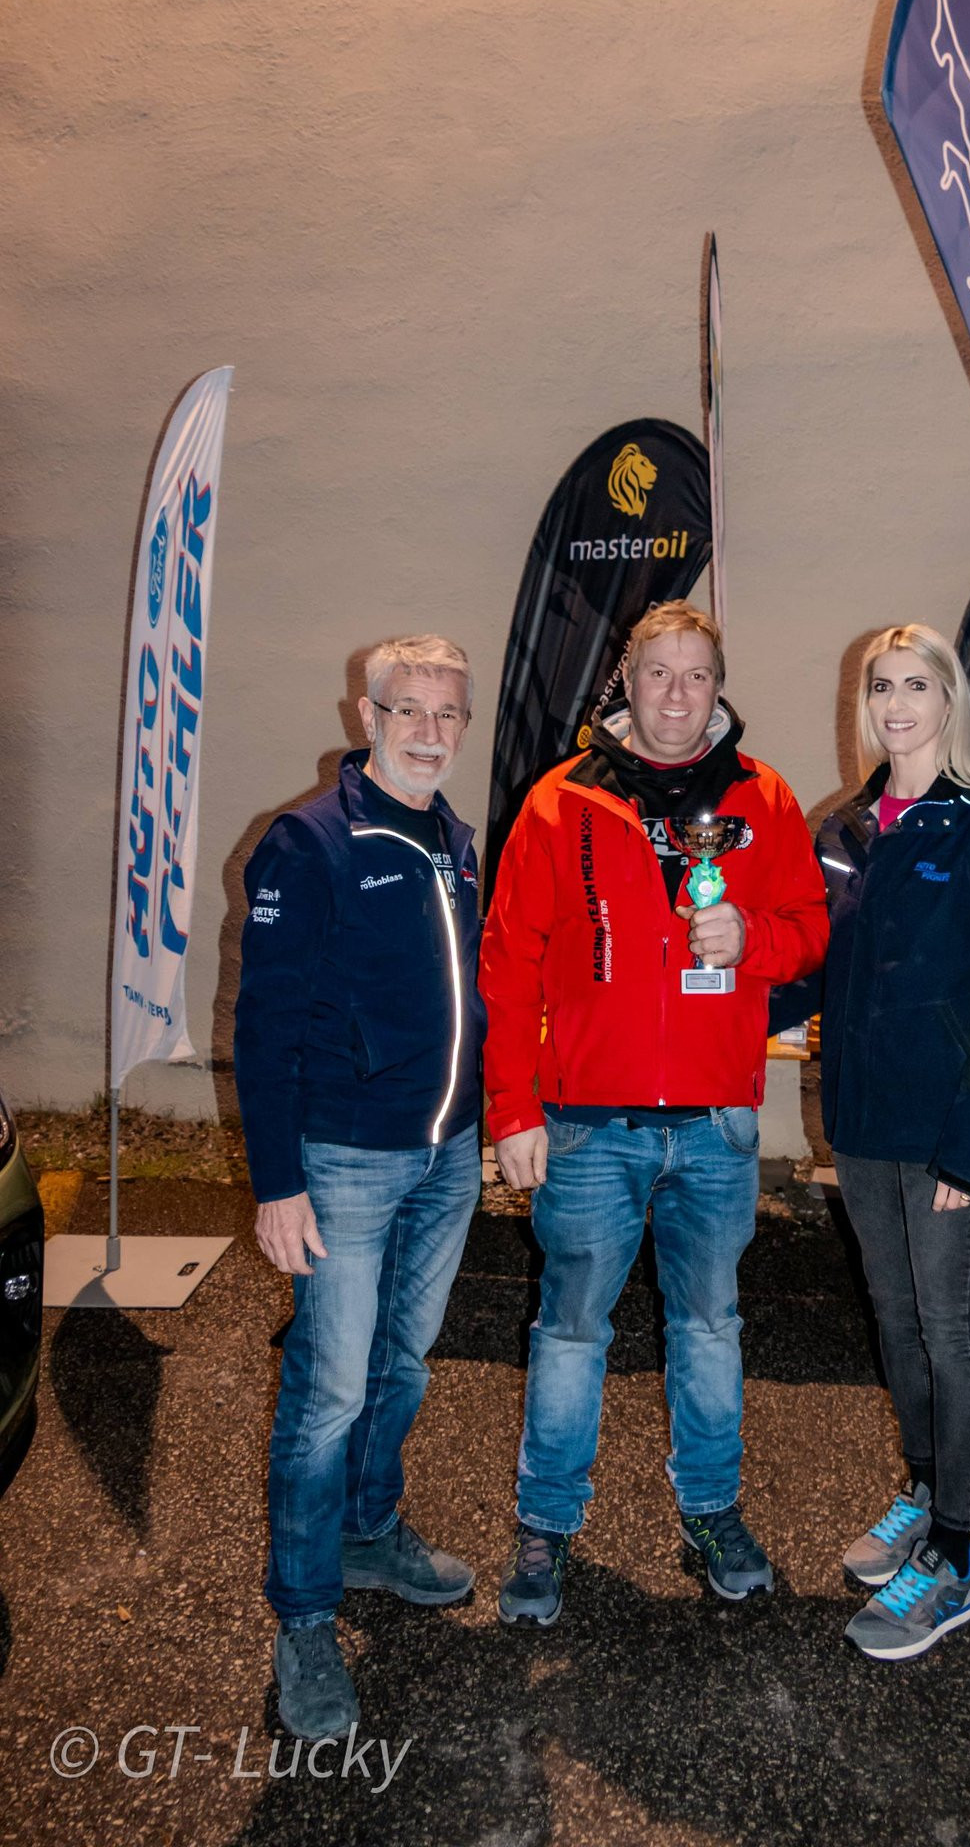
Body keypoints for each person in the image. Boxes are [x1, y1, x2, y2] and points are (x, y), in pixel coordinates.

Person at [479, 600, 828, 1626]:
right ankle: (546, 1523)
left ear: (719, 687)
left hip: (715, 1125)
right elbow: (507, 966)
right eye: (658, 673)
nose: (677, 694)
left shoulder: (764, 797)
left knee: (710, 1326)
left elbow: (811, 930)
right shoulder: (560, 801)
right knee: (569, 1331)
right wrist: (512, 1109)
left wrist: (752, 938)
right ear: (624, 682)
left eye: (696, 674)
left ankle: (712, 1510)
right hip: (587, 1121)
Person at [772, 623, 970, 1662]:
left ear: (949, 699)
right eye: (880, 686)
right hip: (860, 1121)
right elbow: (818, 969)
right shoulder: (843, 827)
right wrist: (715, 998)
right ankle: (926, 1488)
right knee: (896, 1319)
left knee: (948, 1325)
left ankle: (955, 1550)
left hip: (945, 1130)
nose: (895, 704)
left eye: (915, 685)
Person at [235, 635, 486, 1738]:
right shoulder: (310, 843)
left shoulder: (455, 843)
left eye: (447, 712)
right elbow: (263, 1024)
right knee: (327, 1391)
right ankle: (303, 1615)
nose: (429, 731)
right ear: (367, 714)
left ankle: (370, 1530)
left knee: (402, 1363)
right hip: (344, 1160)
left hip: (447, 1157)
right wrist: (278, 1182)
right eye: (408, 709)